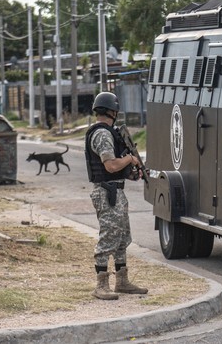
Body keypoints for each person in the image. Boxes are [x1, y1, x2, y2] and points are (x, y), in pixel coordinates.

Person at [85, 91, 148, 300]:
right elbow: (111, 165)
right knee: (108, 237)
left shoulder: (109, 132)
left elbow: (116, 168)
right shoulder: (103, 134)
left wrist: (132, 171)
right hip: (107, 192)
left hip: (115, 190)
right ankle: (101, 284)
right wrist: (130, 159)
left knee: (122, 237)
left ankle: (122, 281)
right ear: (112, 111)